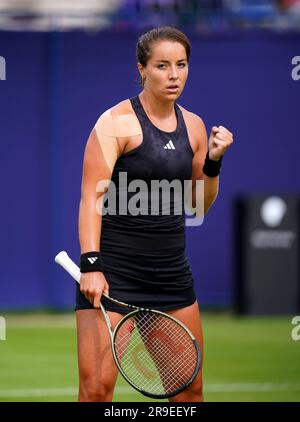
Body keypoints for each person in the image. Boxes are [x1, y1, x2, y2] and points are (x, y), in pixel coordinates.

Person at [76, 26, 233, 402]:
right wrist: (91, 265)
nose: (174, 74)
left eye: (181, 65)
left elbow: (198, 205)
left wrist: (213, 163)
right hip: (115, 275)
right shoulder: (115, 123)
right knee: (96, 391)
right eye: (162, 65)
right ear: (142, 69)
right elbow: (89, 198)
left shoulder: (194, 126)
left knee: (189, 393)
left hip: (171, 275)